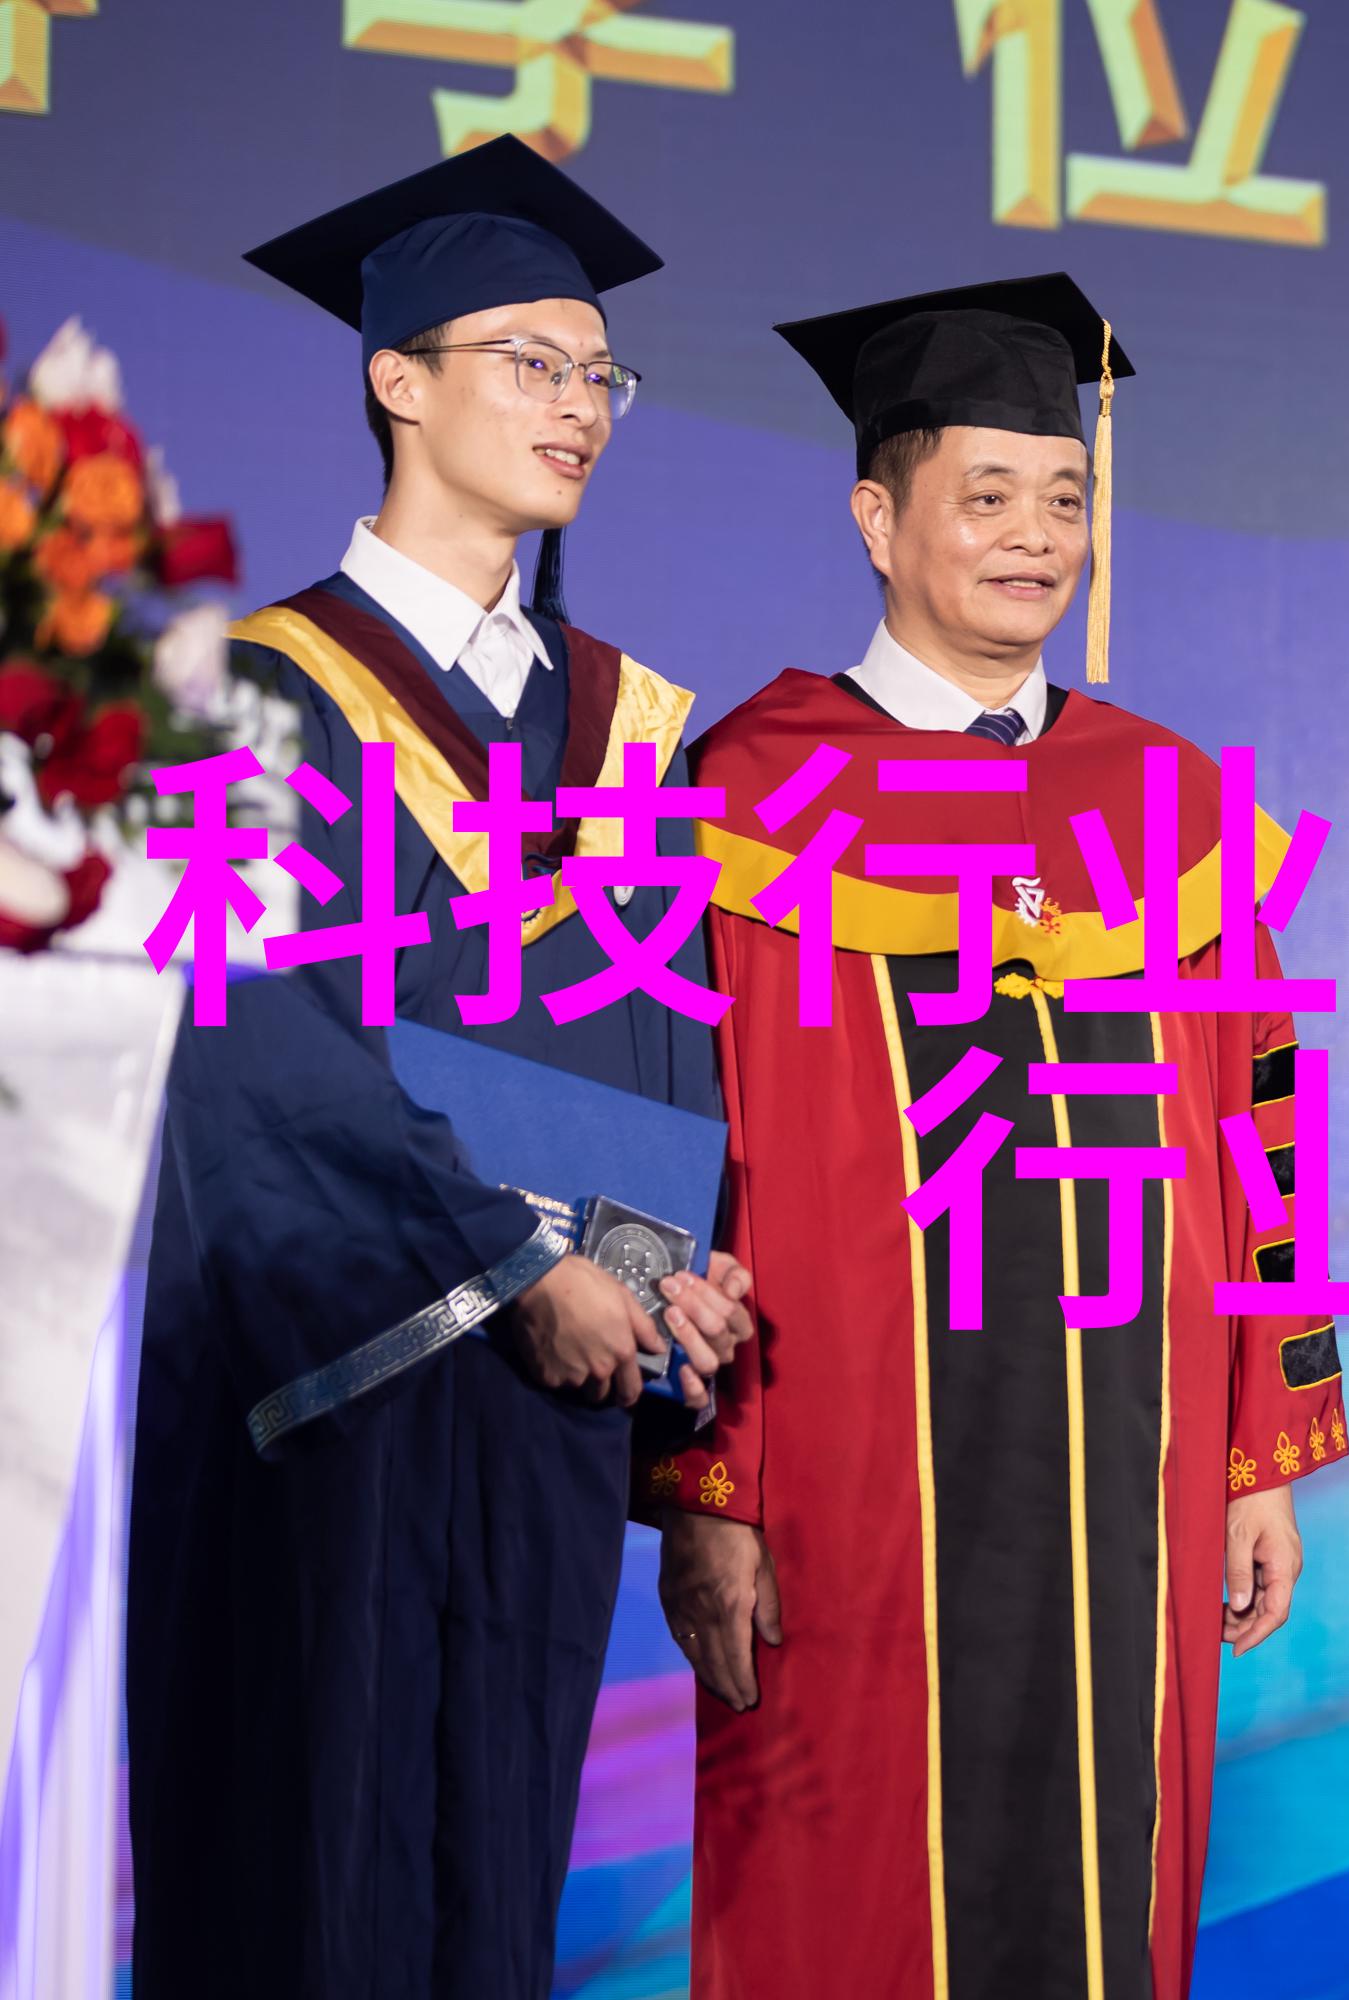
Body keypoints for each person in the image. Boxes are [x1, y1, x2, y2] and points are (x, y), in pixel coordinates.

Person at [637, 274, 1348, 2000]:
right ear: (878, 519)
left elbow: (1261, 1131)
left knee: (1112, 1887)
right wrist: (705, 1490)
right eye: (989, 495)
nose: (1037, 536)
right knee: (842, 1898)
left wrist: (1258, 1454)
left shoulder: (1172, 802)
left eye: (1066, 498)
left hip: (1137, 1468)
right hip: (841, 1471)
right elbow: (676, 1151)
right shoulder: (740, 789)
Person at [127, 137, 755, 1999]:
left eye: (602, 374)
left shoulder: (628, 723)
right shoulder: (238, 693)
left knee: (493, 1886)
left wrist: (647, 1290)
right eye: (532, 363)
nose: (580, 408)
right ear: (397, 377)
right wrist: (513, 1263)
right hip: (337, 1388)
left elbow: (666, 1038)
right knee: (310, 1872)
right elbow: (250, 1047)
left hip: (555, 1391)